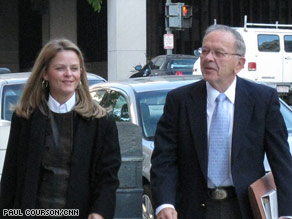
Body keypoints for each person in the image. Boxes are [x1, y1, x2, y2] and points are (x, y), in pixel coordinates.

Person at [150, 24, 292, 219]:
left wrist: (286, 212)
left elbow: (281, 161)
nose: (209, 58)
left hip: (243, 208)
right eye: (205, 51)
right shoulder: (180, 101)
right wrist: (164, 203)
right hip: (192, 209)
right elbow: (164, 159)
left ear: (239, 64)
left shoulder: (262, 100)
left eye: (219, 53)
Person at [0, 39, 121, 219]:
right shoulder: (25, 118)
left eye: (74, 68)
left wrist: (99, 212)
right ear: (45, 74)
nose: (68, 74)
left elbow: (108, 177)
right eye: (60, 68)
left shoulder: (100, 122)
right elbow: (11, 175)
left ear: (81, 72)